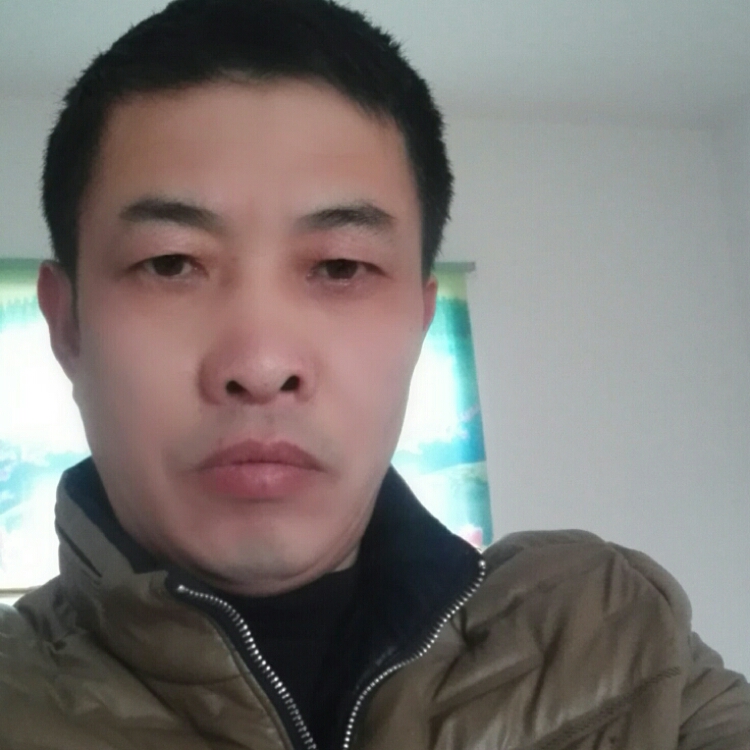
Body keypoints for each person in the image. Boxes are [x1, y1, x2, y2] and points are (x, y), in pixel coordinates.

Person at [0, 0, 748, 747]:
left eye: (340, 267)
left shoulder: (618, 638)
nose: (261, 366)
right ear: (68, 326)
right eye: (169, 263)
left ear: (420, 326)